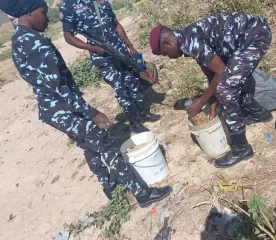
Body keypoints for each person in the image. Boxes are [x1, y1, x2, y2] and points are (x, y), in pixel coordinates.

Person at [0, 0, 171, 207]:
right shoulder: (35, 44)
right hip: (65, 110)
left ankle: (109, 185)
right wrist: (91, 112)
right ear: (29, 14)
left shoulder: (20, 39)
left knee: (88, 146)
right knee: (105, 142)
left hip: (55, 110)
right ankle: (142, 194)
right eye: (43, 12)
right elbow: (58, 89)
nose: (47, 17)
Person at [149, 12, 273, 168]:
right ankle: (259, 114)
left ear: (167, 43)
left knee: (226, 90)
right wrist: (212, 102)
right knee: (226, 83)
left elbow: (220, 71)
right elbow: (211, 71)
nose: (169, 57)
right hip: (247, 38)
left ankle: (242, 148)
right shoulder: (186, 38)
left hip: (254, 37)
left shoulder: (190, 41)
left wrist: (202, 100)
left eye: (165, 54)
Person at [59, 0, 160, 133]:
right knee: (120, 88)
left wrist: (130, 46)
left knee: (133, 81)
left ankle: (143, 113)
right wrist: (93, 48)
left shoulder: (101, 1)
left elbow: (116, 25)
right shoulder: (69, 5)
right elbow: (68, 37)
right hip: (102, 57)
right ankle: (134, 123)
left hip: (121, 50)